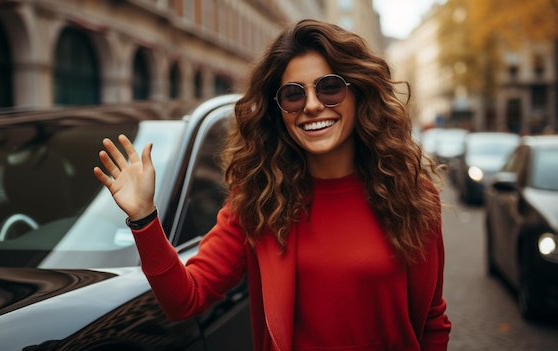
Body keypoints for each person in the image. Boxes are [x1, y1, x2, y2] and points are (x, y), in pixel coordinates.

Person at [94, 19, 451, 351]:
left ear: (359, 95)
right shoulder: (259, 202)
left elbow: (432, 319)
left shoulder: (413, 196)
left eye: (329, 88)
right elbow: (185, 299)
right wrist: (144, 218)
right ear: (278, 111)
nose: (312, 106)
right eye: (294, 95)